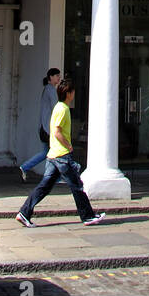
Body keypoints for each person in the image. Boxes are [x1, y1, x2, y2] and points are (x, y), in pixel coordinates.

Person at [16, 79, 105, 227]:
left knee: (44, 187)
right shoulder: (63, 109)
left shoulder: (58, 107)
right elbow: (57, 131)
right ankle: (88, 216)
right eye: (73, 92)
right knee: (77, 186)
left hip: (53, 155)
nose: (74, 94)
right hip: (62, 156)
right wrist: (68, 145)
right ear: (69, 93)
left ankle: (24, 212)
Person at [19, 68, 61, 181]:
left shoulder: (47, 89)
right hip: (48, 127)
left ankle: (25, 167)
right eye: (57, 76)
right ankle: (54, 177)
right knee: (56, 152)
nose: (59, 78)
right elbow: (56, 108)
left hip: (44, 126)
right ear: (51, 77)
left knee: (46, 152)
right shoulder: (51, 90)